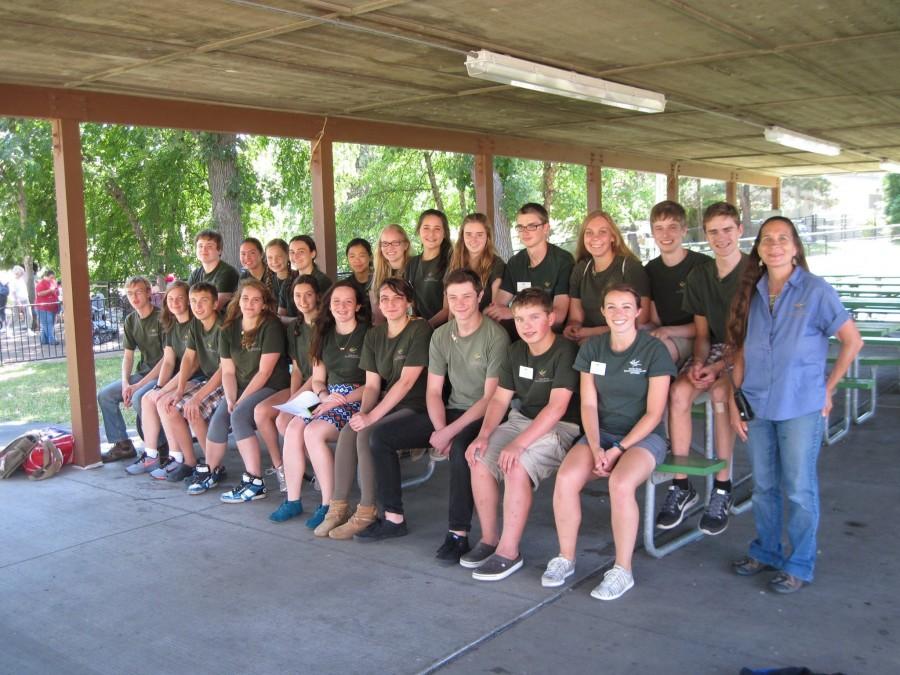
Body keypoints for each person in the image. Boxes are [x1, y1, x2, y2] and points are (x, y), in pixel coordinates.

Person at [726, 216, 862, 593]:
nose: (774, 245)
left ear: (796, 246)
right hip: (757, 403)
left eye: (782, 238)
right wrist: (736, 402)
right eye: (767, 239)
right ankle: (767, 551)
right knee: (764, 485)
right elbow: (738, 350)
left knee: (800, 488)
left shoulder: (816, 290)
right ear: (759, 248)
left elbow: (852, 341)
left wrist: (828, 388)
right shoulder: (749, 291)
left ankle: (799, 563)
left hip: (800, 404)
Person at [543, 284, 676, 599]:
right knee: (566, 478)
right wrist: (595, 446)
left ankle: (622, 569)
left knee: (620, 483)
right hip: (600, 433)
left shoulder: (653, 350)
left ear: (638, 311)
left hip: (644, 437)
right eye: (612, 307)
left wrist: (618, 449)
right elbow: (588, 405)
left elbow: (655, 413)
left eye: (626, 307)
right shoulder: (593, 348)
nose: (619, 313)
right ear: (602, 311)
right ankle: (565, 557)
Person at [463, 288, 580, 581]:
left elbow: (557, 408)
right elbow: (500, 399)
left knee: (515, 467)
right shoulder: (516, 351)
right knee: (478, 457)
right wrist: (484, 434)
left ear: (551, 318)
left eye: (534, 318)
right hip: (520, 421)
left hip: (560, 427)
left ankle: (508, 551)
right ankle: (489, 539)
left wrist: (518, 444)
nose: (526, 326)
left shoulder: (565, 350)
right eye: (519, 319)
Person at [656, 202, 748, 536]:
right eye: (713, 231)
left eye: (727, 229)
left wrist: (721, 368)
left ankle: (723, 486)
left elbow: (749, 339)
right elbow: (701, 332)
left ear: (739, 230)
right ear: (705, 234)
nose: (720, 237)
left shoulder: (755, 272)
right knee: (679, 391)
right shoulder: (701, 275)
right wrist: (698, 362)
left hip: (748, 351)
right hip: (714, 348)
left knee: (721, 392)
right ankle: (681, 484)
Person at [426, 269, 509, 562]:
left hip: (486, 412)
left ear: (480, 296)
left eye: (466, 296)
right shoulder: (440, 336)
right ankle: (390, 516)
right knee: (380, 437)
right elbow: (434, 391)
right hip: (450, 410)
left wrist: (448, 434)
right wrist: (440, 429)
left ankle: (458, 533)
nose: (460, 303)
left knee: (462, 449)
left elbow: (490, 399)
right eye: (453, 298)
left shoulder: (495, 336)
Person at [269, 280, 368, 526]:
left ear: (357, 306)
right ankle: (293, 500)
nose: (342, 307)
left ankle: (329, 505)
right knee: (293, 428)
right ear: (329, 305)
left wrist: (339, 400)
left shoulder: (368, 334)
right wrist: (324, 397)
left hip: (356, 398)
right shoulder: (322, 334)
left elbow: (375, 385)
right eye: (336, 301)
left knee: (313, 433)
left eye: (348, 301)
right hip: (327, 397)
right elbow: (318, 380)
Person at [197, 279, 291, 502]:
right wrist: (230, 397)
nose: (250, 303)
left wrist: (240, 401)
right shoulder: (229, 328)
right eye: (246, 298)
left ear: (264, 304)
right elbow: (228, 372)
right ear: (239, 301)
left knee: (238, 415)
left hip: (271, 385)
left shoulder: (271, 326)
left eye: (256, 300)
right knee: (220, 417)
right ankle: (211, 470)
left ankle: (255, 481)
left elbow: (264, 372)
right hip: (239, 387)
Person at [254, 274, 320, 493]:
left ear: (318, 296)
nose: (303, 300)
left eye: (308, 295)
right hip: (303, 388)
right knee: (263, 412)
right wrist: (293, 396)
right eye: (297, 295)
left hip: (323, 387)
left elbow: (319, 375)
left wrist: (295, 400)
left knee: (284, 420)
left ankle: (322, 471)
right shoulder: (295, 328)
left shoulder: (325, 326)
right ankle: (285, 468)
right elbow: (297, 369)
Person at [158, 282, 226, 484]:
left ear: (215, 304)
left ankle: (213, 467)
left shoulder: (223, 327)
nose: (197, 306)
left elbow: (224, 371)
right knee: (170, 406)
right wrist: (179, 391)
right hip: (208, 379)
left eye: (203, 301)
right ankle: (190, 462)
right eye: (194, 301)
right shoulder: (196, 324)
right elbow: (188, 358)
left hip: (227, 381)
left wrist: (196, 398)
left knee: (193, 409)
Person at [126, 281, 194, 476]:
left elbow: (190, 367)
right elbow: (168, 361)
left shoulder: (194, 324)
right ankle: (151, 454)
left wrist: (164, 391)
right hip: (177, 376)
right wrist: (159, 386)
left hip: (195, 378)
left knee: (162, 400)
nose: (175, 302)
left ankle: (175, 457)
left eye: (180, 298)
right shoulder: (172, 325)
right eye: (170, 299)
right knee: (149, 397)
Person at [98, 276, 165, 463]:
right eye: (129, 293)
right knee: (106, 395)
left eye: (138, 292)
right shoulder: (130, 320)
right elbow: (128, 356)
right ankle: (123, 445)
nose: (134, 297)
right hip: (143, 374)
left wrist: (137, 386)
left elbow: (167, 360)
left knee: (139, 398)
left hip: (163, 376)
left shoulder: (161, 318)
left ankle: (162, 447)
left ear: (149, 293)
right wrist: (126, 383)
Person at [564, 211, 650, 344]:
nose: (595, 237)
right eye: (589, 232)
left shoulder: (630, 267)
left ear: (613, 237)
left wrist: (589, 333)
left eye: (602, 232)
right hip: (586, 339)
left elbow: (640, 321)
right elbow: (575, 317)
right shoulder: (581, 268)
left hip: (624, 339)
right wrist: (572, 328)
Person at [486, 203, 573, 330]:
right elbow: (498, 304)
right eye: (521, 227)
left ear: (546, 228)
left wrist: (513, 313)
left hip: (553, 337)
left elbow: (559, 315)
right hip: (521, 335)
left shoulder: (563, 261)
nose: (525, 232)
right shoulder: (515, 263)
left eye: (532, 226)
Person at [643, 201, 709, 366]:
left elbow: (709, 325)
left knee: (657, 353)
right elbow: (655, 321)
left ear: (684, 230)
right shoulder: (650, 270)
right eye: (659, 228)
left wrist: (669, 331)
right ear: (653, 233)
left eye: (672, 227)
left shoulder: (703, 266)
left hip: (699, 338)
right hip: (665, 335)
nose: (665, 235)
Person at [448, 213, 505, 311]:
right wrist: (452, 325)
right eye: (468, 234)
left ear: (488, 237)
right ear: (462, 236)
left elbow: (495, 308)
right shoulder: (455, 260)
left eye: (479, 234)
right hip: (459, 322)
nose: (473, 240)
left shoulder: (497, 263)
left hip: (486, 322)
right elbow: (450, 307)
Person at [406, 209, 452, 327]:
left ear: (444, 233)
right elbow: (411, 304)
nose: (431, 234)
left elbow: (448, 309)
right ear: (418, 231)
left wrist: (424, 328)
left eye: (437, 229)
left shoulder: (451, 262)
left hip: (443, 332)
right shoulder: (412, 263)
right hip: (419, 331)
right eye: (426, 228)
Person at [278, 235, 332, 319]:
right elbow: (280, 316)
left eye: (301, 251)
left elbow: (322, 317)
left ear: (313, 254)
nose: (295, 256)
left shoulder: (322, 281)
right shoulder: (287, 282)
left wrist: (292, 322)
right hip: (290, 331)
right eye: (292, 252)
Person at [187, 229, 240, 311]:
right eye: (200, 246)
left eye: (209, 246)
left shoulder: (227, 272)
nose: (204, 250)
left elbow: (215, 307)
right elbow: (187, 300)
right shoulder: (195, 274)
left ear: (219, 250)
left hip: (223, 321)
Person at [370, 224, 411, 324]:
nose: (390, 247)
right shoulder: (378, 274)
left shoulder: (415, 268)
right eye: (385, 243)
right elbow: (377, 314)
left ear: (406, 245)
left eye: (395, 243)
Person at [265, 238, 294, 309]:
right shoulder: (269, 280)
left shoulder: (297, 278)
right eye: (270, 258)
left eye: (279, 256)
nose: (274, 261)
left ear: (288, 256)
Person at [34, 268, 61, 345]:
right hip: (43, 307)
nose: (53, 279)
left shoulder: (53, 282)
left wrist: (56, 291)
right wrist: (50, 290)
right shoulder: (41, 284)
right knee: (47, 323)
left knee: (49, 323)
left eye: (53, 277)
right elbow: (39, 293)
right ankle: (52, 339)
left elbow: (56, 290)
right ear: (47, 276)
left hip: (52, 306)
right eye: (51, 277)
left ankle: (43, 340)